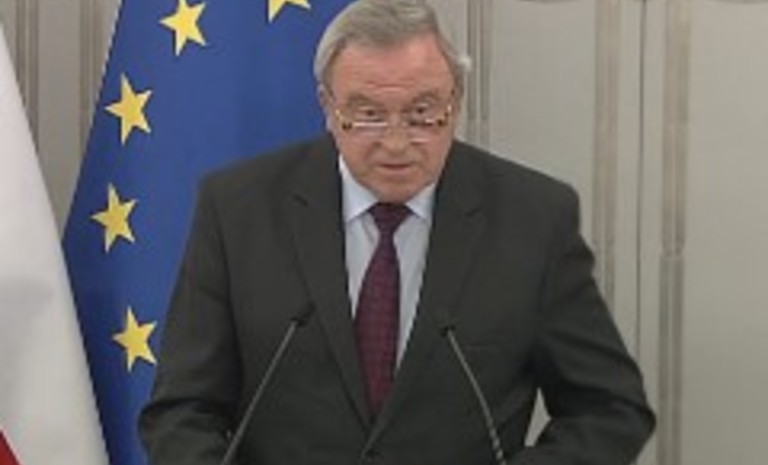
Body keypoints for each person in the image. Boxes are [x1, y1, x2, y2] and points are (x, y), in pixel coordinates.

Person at [139, 0, 655, 464]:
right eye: (367, 115)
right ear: (328, 107)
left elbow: (609, 410)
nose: (396, 142)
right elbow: (183, 411)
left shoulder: (533, 219)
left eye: (423, 113)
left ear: (456, 102)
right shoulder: (239, 209)